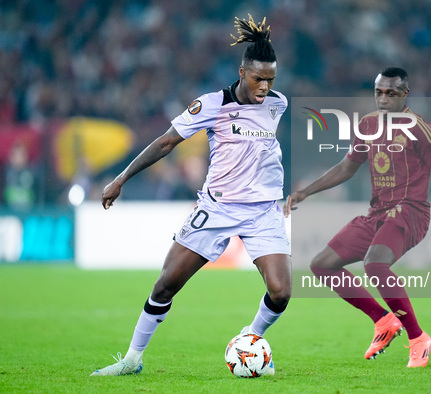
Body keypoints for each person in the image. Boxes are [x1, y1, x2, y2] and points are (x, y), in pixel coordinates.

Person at [91, 15, 291, 376]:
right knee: (166, 284)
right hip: (217, 209)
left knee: (281, 292)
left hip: (264, 211)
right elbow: (167, 142)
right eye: (259, 78)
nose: (265, 86)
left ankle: (249, 338)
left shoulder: (278, 104)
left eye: (271, 79)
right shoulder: (212, 104)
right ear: (242, 72)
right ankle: (131, 360)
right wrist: (120, 178)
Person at [284, 67, 431, 368]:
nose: (383, 99)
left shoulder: (419, 128)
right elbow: (347, 167)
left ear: (405, 95)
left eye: (391, 93)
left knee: (374, 263)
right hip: (378, 213)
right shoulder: (368, 125)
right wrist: (306, 191)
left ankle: (418, 338)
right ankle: (383, 320)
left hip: (410, 212)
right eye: (379, 92)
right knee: (322, 265)